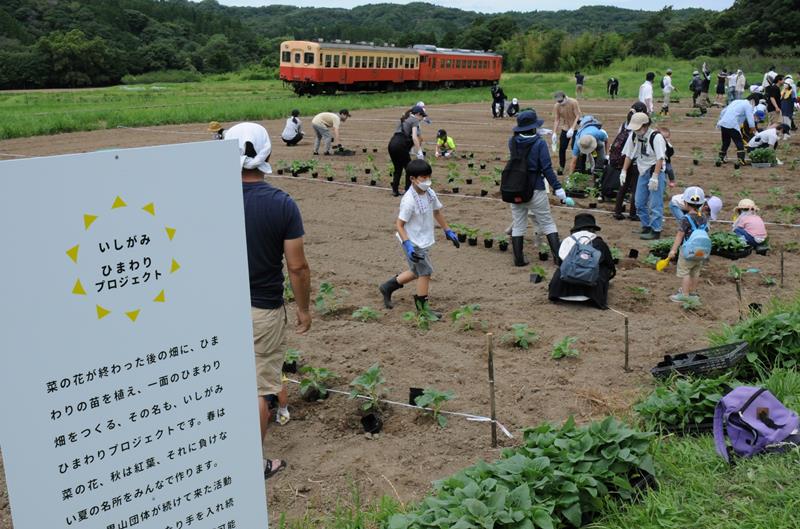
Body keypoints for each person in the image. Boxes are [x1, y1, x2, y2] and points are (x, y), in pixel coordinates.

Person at [228, 122, 311, 480]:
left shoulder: (208, 197)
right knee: (260, 388)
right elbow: (297, 266)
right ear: (267, 155)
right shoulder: (281, 204)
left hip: (216, 310)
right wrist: (304, 308)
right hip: (262, 308)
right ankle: (252, 465)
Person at [378, 159, 460, 314]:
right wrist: (408, 245)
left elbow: (437, 212)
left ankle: (387, 287)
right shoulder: (408, 200)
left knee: (416, 271)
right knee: (426, 271)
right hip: (412, 241)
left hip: (423, 239)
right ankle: (423, 309)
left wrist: (448, 231)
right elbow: (399, 224)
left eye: (429, 177)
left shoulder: (430, 193)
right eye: (423, 178)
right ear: (412, 179)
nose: (427, 181)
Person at [508, 110, 571, 266]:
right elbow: (547, 168)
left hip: (515, 187)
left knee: (518, 224)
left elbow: (522, 145)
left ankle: (519, 259)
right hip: (535, 188)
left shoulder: (512, 141)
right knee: (547, 222)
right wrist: (558, 188)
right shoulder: (540, 143)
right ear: (534, 127)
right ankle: (557, 258)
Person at [548, 213, 615, 309]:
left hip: (559, 292)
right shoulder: (599, 243)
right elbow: (610, 265)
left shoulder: (566, 241)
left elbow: (559, 262)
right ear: (592, 229)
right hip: (590, 295)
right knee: (604, 266)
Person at [620, 112, 668, 240]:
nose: (636, 130)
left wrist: (655, 176)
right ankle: (646, 226)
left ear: (646, 125)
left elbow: (660, 158)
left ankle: (656, 229)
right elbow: (629, 155)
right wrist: (623, 171)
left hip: (655, 171)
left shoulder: (656, 137)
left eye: (638, 128)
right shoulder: (633, 136)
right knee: (639, 202)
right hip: (642, 171)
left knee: (655, 203)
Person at [666, 186, 709, 302]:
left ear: (685, 203)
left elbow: (680, 235)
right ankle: (692, 293)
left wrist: (673, 250)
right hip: (701, 250)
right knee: (695, 272)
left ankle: (684, 295)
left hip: (687, 250)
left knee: (685, 272)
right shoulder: (704, 217)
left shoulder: (685, 218)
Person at [610, 101, 648, 220]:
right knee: (635, 188)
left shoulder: (624, 125)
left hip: (623, 159)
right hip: (635, 161)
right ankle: (633, 213)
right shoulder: (639, 128)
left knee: (623, 187)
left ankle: (617, 211)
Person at [388, 105, 426, 196]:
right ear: (417, 114)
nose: (422, 118)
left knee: (398, 168)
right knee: (410, 169)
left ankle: (395, 190)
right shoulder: (415, 120)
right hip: (401, 145)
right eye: (422, 116)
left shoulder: (403, 119)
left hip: (392, 144)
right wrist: (419, 151)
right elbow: (414, 137)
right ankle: (408, 191)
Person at [715, 95, 758, 168]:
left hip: (724, 123)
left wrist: (720, 121)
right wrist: (753, 129)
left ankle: (720, 158)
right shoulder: (748, 105)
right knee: (739, 142)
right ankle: (741, 159)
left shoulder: (736, 101)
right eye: (755, 104)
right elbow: (750, 118)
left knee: (726, 142)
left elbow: (723, 111)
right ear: (752, 101)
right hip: (732, 124)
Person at [552, 91, 582, 175]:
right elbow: (557, 119)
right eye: (558, 101)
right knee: (562, 148)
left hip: (576, 128)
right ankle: (561, 167)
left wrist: (572, 128)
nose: (560, 103)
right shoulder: (557, 106)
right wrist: (554, 132)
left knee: (574, 147)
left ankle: (577, 168)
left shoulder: (573, 102)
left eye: (561, 101)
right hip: (565, 128)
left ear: (565, 98)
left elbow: (578, 116)